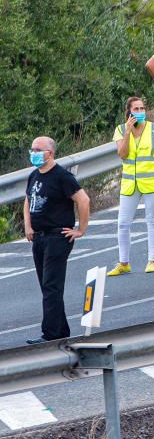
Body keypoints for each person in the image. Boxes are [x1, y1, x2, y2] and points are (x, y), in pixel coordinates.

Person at [23, 137, 90, 344]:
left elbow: (83, 199)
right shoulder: (34, 175)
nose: (33, 152)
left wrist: (81, 229)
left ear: (49, 153)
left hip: (57, 236)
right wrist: (28, 225)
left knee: (51, 285)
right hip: (40, 237)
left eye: (38, 149)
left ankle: (50, 334)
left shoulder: (62, 176)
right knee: (47, 286)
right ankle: (60, 330)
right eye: (32, 149)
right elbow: (27, 199)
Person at [109, 97, 154, 276]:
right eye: (136, 109)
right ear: (128, 112)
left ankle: (152, 260)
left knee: (152, 220)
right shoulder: (120, 130)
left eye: (142, 108)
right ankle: (123, 263)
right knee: (123, 223)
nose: (140, 111)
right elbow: (122, 153)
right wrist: (127, 132)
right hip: (130, 183)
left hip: (152, 182)